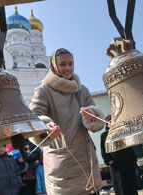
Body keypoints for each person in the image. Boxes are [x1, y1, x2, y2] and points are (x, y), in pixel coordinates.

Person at [29, 48, 104, 195]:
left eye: (71, 64)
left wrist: (91, 114)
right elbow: (33, 117)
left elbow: (96, 119)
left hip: (86, 161)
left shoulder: (82, 90)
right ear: (54, 66)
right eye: (63, 64)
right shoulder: (44, 90)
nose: (67, 68)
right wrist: (46, 126)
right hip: (61, 165)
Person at [100, 115, 139, 195]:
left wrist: (133, 159)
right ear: (107, 124)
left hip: (127, 162)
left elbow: (129, 146)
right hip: (116, 164)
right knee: (121, 186)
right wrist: (108, 159)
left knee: (131, 184)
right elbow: (103, 150)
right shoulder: (104, 135)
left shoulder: (122, 132)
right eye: (110, 122)